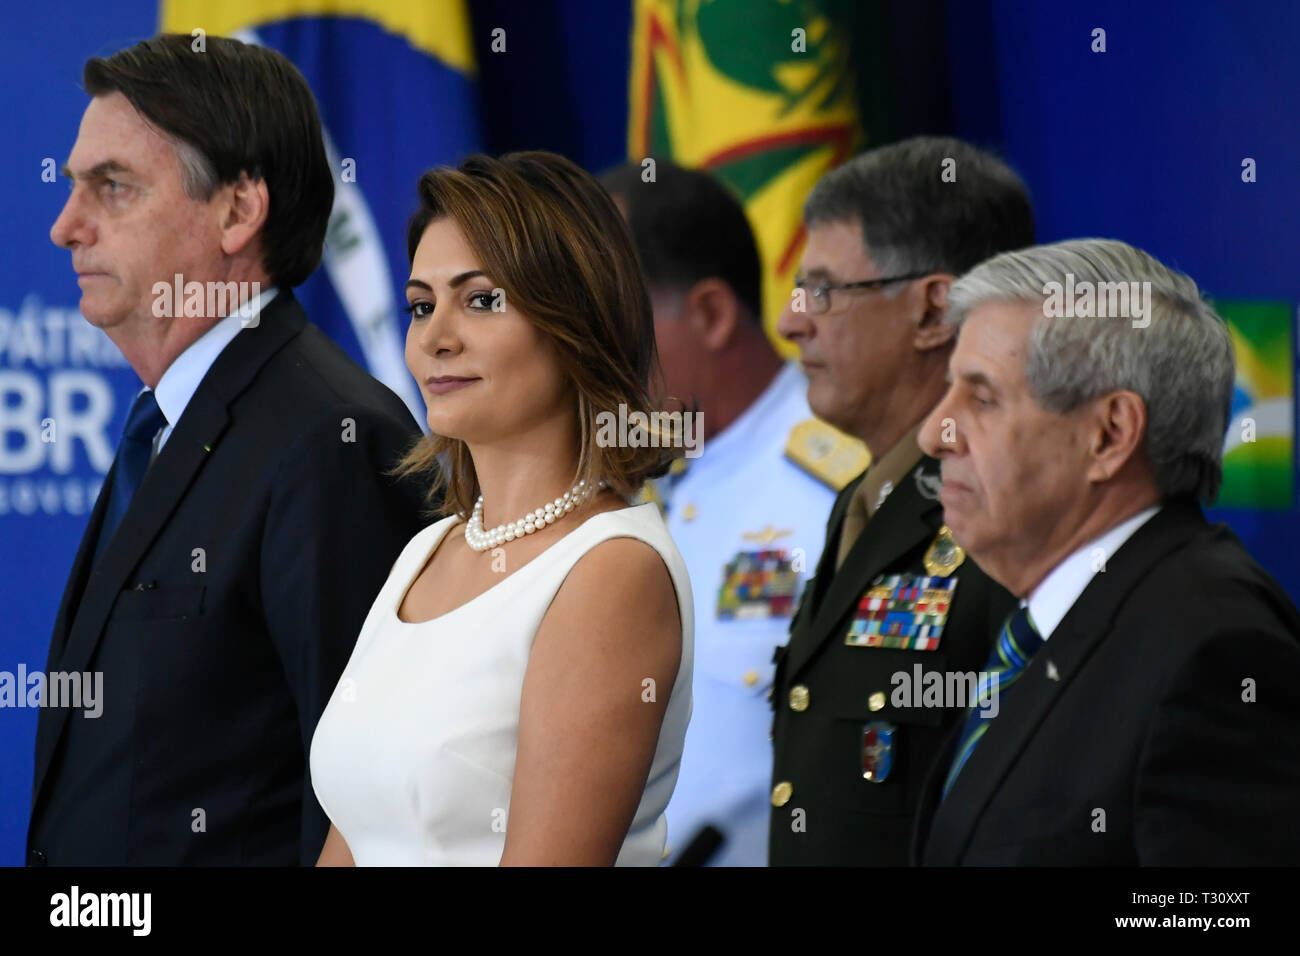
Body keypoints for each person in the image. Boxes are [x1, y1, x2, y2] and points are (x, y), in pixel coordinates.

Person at [27, 35, 427, 867]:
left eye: (112, 187)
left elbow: (369, 800)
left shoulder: (331, 438)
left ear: (239, 212)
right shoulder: (165, 424)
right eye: (73, 188)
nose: (66, 226)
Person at [309, 151, 695, 867]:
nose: (435, 337)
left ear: (576, 317)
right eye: (421, 305)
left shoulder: (613, 571)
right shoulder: (423, 553)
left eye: (481, 299)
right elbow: (358, 835)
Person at [916, 238, 1300, 865]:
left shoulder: (1214, 647)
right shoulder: (1057, 621)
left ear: (1109, 435)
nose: (935, 433)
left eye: (981, 398)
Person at [768, 136, 1034, 866]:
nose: (791, 321)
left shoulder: (1003, 516)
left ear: (933, 311)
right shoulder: (864, 498)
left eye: (822, 291)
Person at [600, 160, 840, 866]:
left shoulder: (839, 488)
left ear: (708, 313)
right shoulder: (623, 487)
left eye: (612, 324)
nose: (586, 358)